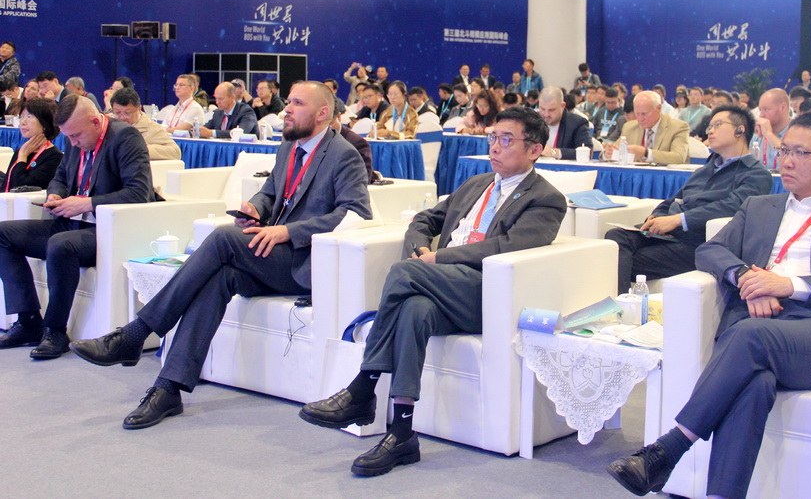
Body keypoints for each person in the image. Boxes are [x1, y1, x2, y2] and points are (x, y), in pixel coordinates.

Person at [607, 111, 811, 499]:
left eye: (801, 153)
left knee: (749, 336)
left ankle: (670, 448)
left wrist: (787, 285)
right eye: (784, 150)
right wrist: (746, 279)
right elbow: (710, 250)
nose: (787, 161)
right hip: (756, 325)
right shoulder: (759, 206)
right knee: (754, 385)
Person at [70, 81, 373, 428]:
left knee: (223, 238)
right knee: (219, 278)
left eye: (297, 104)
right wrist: (256, 208)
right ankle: (168, 388)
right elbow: (270, 193)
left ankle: (136, 333)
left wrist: (288, 231)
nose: (287, 109)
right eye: (288, 101)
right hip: (272, 252)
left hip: (304, 261)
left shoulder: (343, 155)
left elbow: (355, 213)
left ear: (323, 113)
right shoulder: (289, 148)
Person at [298, 106, 566, 476]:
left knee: (403, 273)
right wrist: (420, 247)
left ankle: (363, 386)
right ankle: (402, 433)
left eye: (507, 140)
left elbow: (507, 246)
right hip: (440, 286)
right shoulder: (477, 185)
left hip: (484, 293)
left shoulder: (546, 198)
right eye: (492, 137)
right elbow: (425, 219)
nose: (495, 147)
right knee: (414, 310)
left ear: (535, 149)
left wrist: (438, 258)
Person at [0, 95, 157, 359]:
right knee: (3, 234)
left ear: (95, 122)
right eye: (68, 137)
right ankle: (28, 321)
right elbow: (60, 177)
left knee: (61, 244)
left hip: (105, 231)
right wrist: (55, 194)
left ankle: (55, 331)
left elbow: (139, 192)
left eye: (75, 136)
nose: (72, 143)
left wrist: (86, 203)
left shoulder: (125, 137)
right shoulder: (74, 138)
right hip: (69, 222)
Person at [605, 104, 772, 294]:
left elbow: (731, 207)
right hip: (670, 236)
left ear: (739, 130)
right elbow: (674, 199)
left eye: (718, 125)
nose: (710, 131)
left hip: (699, 243)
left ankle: (621, 305)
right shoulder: (704, 170)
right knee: (616, 238)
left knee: (618, 260)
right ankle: (622, 302)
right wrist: (658, 216)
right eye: (709, 127)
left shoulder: (756, 174)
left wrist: (678, 220)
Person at [604, 91, 689, 164]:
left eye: (644, 114)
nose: (640, 119)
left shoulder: (678, 127)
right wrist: (607, 153)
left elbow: (679, 158)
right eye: (637, 114)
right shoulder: (629, 127)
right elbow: (615, 150)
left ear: (659, 108)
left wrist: (646, 153)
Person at [1, 98, 62, 192]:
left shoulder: (55, 157)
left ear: (45, 123)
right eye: (21, 117)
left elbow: (21, 188)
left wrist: (22, 157)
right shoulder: (22, 150)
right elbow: (7, 184)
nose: (23, 122)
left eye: (29, 117)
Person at [109, 88, 181, 160]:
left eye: (127, 113)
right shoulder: (108, 123)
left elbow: (175, 152)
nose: (122, 118)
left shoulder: (152, 128)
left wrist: (138, 148)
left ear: (139, 109)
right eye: (117, 113)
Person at [536, 86, 591, 159]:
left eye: (551, 110)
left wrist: (553, 152)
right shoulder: (531, 121)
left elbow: (587, 153)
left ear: (562, 106)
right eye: (542, 109)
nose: (546, 114)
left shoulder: (577, 123)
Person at [753, 88, 794, 170]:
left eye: (766, 109)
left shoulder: (798, 132)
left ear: (782, 108)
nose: (761, 115)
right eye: (760, 110)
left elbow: (792, 160)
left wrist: (769, 135)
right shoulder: (757, 134)